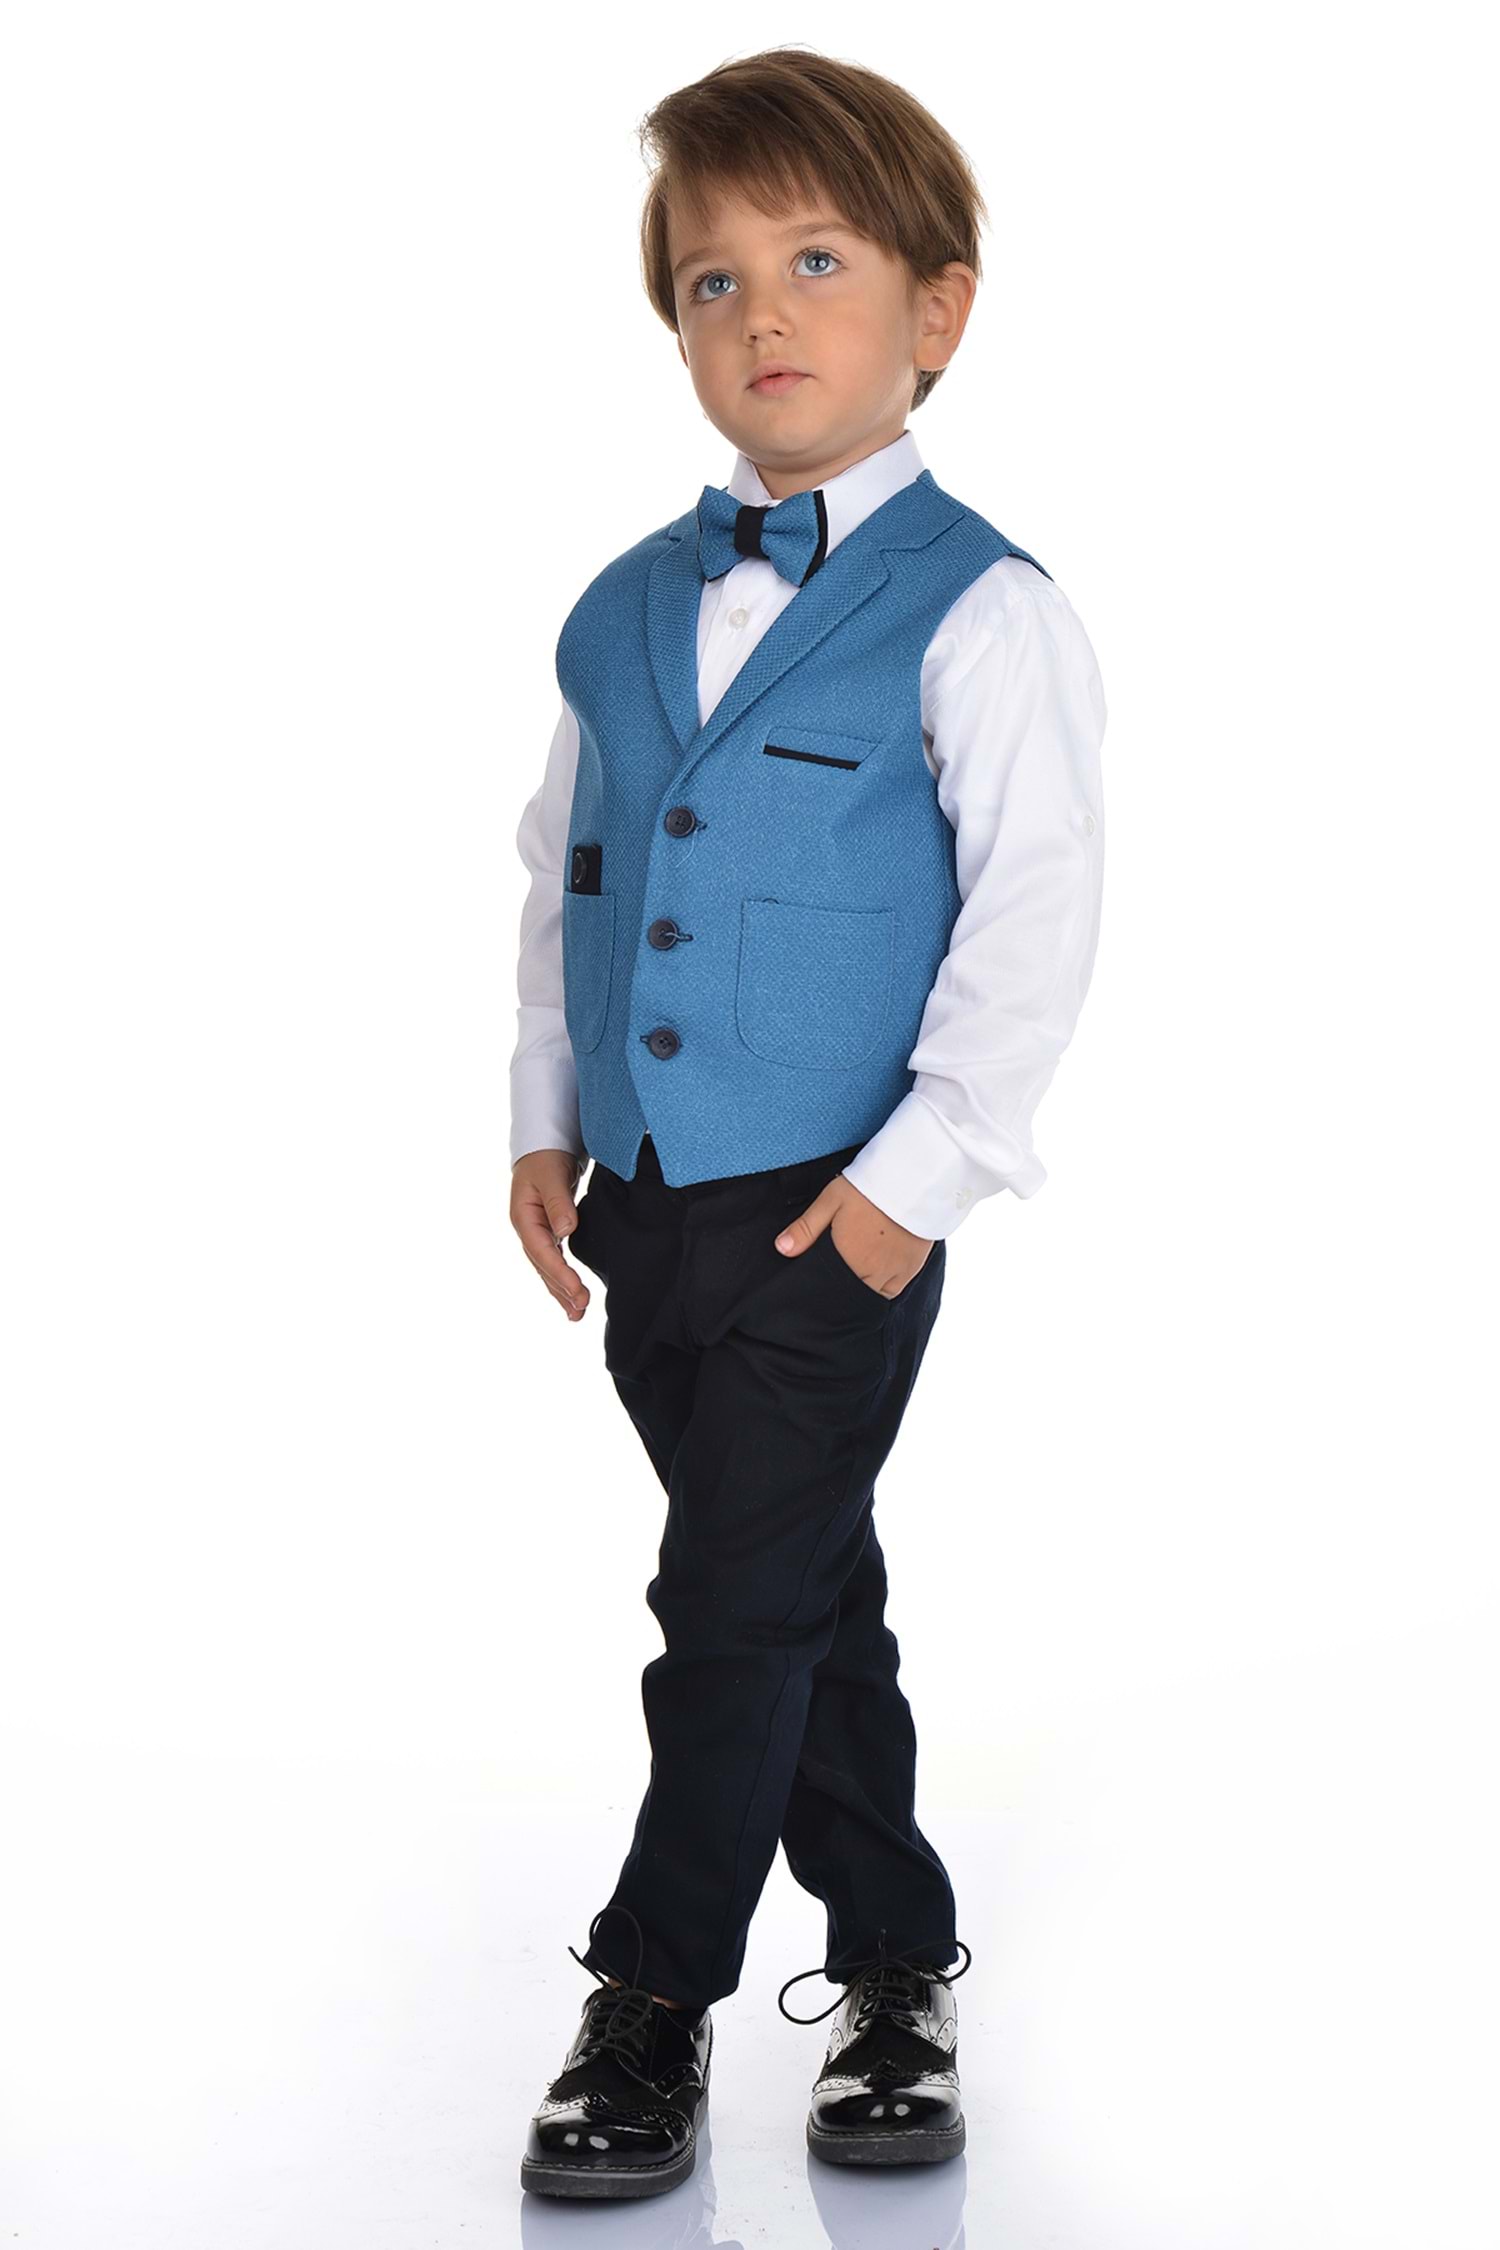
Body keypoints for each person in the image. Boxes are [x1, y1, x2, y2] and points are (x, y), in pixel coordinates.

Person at [507, 45, 1107, 2201]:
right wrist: (545, 1112)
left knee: (729, 1608)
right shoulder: (619, 608)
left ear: (938, 309)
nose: (761, 312)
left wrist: (907, 1191)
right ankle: (899, 1959)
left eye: (819, 262)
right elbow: (570, 871)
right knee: (801, 1587)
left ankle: (650, 2000)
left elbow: (1036, 916)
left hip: (837, 1202)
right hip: (647, 1202)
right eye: (713, 280)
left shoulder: (986, 610)